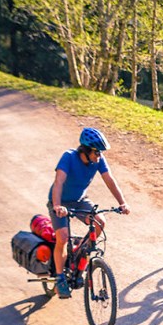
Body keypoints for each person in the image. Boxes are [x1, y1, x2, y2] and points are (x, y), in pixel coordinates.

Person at [48, 127, 131, 298]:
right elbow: (58, 182)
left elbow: (110, 180)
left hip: (79, 200)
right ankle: (60, 277)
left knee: (100, 222)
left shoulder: (98, 160)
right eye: (96, 152)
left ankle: (81, 253)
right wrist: (57, 206)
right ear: (85, 150)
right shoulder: (69, 157)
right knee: (62, 237)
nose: (99, 155)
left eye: (100, 152)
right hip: (60, 202)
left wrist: (122, 203)